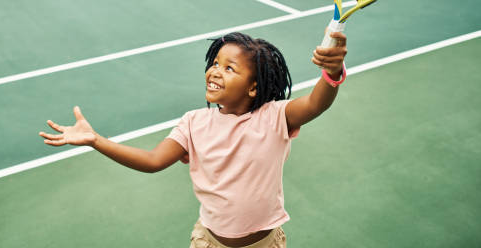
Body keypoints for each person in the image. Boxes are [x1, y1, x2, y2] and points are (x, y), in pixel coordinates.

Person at [40, 30, 348, 247]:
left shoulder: (273, 117)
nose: (215, 71)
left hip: (263, 244)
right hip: (207, 242)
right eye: (215, 63)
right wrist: (96, 140)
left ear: (253, 87)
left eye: (229, 68)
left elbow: (315, 103)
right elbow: (153, 161)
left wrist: (332, 72)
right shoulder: (193, 123)